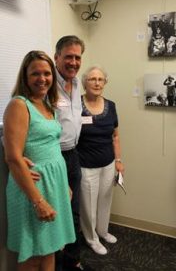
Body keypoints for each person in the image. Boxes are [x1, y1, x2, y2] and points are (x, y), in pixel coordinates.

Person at [3, 50, 75, 271]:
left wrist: (64, 186)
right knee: (33, 254)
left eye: (47, 73)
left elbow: (49, 146)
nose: (42, 79)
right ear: (25, 76)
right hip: (32, 189)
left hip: (53, 186)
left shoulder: (46, 105)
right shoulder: (19, 104)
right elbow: (13, 158)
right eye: (35, 73)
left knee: (51, 248)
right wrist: (39, 201)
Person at [54, 36, 93, 271]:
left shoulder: (77, 82)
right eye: (68, 56)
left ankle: (73, 262)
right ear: (56, 57)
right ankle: (57, 266)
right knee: (58, 216)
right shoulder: (48, 83)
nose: (74, 62)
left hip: (73, 155)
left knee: (74, 212)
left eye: (78, 57)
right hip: (54, 156)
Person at [77, 66, 125, 255]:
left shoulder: (111, 105)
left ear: (105, 82)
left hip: (108, 163)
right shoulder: (76, 104)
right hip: (85, 164)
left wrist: (119, 160)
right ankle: (91, 239)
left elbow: (115, 136)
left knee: (105, 199)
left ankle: (102, 231)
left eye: (100, 79)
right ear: (84, 83)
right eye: (92, 79)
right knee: (88, 205)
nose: (97, 83)